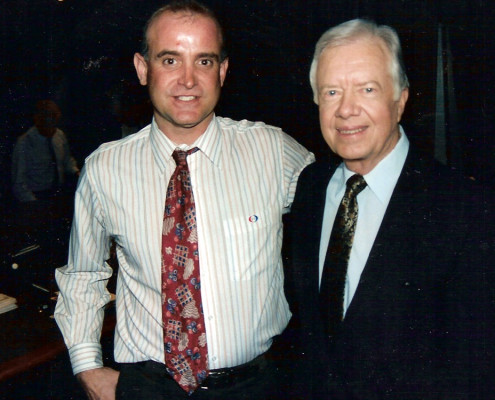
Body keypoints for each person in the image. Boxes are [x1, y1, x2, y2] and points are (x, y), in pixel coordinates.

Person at [54, 1, 314, 399]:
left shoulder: (272, 151)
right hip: (148, 386)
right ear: (143, 69)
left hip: (256, 385)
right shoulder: (104, 169)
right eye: (171, 60)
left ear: (223, 71)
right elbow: (83, 275)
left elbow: (345, 207)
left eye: (204, 62)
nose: (188, 80)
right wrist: (87, 366)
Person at [284, 19, 493, 399]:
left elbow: (473, 368)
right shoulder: (311, 187)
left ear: (400, 100)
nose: (346, 110)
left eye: (367, 89)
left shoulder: (464, 209)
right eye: (332, 92)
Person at [11, 99, 79, 203]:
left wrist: (77, 172)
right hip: (35, 196)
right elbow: (19, 182)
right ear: (37, 119)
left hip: (58, 193)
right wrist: (33, 203)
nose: (51, 123)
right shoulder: (24, 143)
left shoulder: (59, 135)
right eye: (47, 118)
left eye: (54, 118)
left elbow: (66, 160)